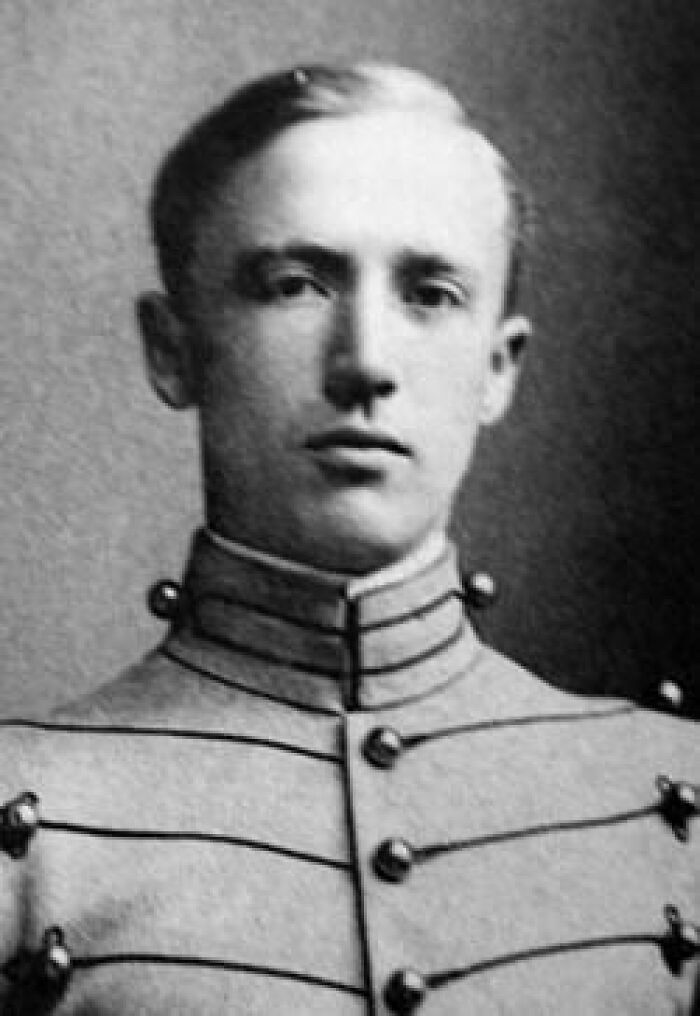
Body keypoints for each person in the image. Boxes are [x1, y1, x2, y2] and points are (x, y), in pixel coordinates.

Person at [0, 62, 697, 1016]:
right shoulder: (25, 823)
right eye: (295, 284)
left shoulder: (673, 803)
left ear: (498, 368)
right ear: (174, 350)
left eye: (432, 293)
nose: (366, 360)